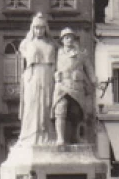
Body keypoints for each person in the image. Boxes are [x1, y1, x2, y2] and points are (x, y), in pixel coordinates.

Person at [51, 28, 97, 145]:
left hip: (76, 85)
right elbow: (49, 67)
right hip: (61, 84)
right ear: (62, 40)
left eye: (71, 37)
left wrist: (93, 79)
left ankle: (75, 136)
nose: (69, 40)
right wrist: (54, 75)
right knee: (60, 108)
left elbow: (89, 68)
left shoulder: (81, 53)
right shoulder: (56, 53)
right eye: (66, 37)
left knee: (76, 111)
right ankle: (60, 138)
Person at [18, 13, 57, 145]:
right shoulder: (26, 44)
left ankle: (47, 136)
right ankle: (29, 136)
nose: (39, 31)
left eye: (41, 27)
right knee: (32, 104)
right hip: (33, 75)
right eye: (36, 28)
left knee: (47, 104)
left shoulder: (52, 44)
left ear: (46, 28)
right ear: (32, 28)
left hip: (48, 75)